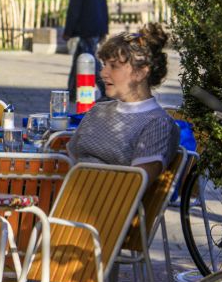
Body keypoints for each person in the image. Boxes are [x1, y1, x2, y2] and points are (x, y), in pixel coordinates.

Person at [67, 23, 178, 184]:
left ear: (140, 73)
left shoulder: (157, 124)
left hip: (99, 205)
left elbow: (134, 186)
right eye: (104, 65)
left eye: (114, 66)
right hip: (67, 195)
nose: (103, 73)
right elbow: (70, 158)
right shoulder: (99, 110)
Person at [63, 0, 110, 100]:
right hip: (96, 28)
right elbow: (104, 8)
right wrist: (104, 30)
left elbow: (74, 9)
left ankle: (106, 88)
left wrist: (68, 31)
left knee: (91, 62)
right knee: (80, 59)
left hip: (86, 30)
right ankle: (71, 92)